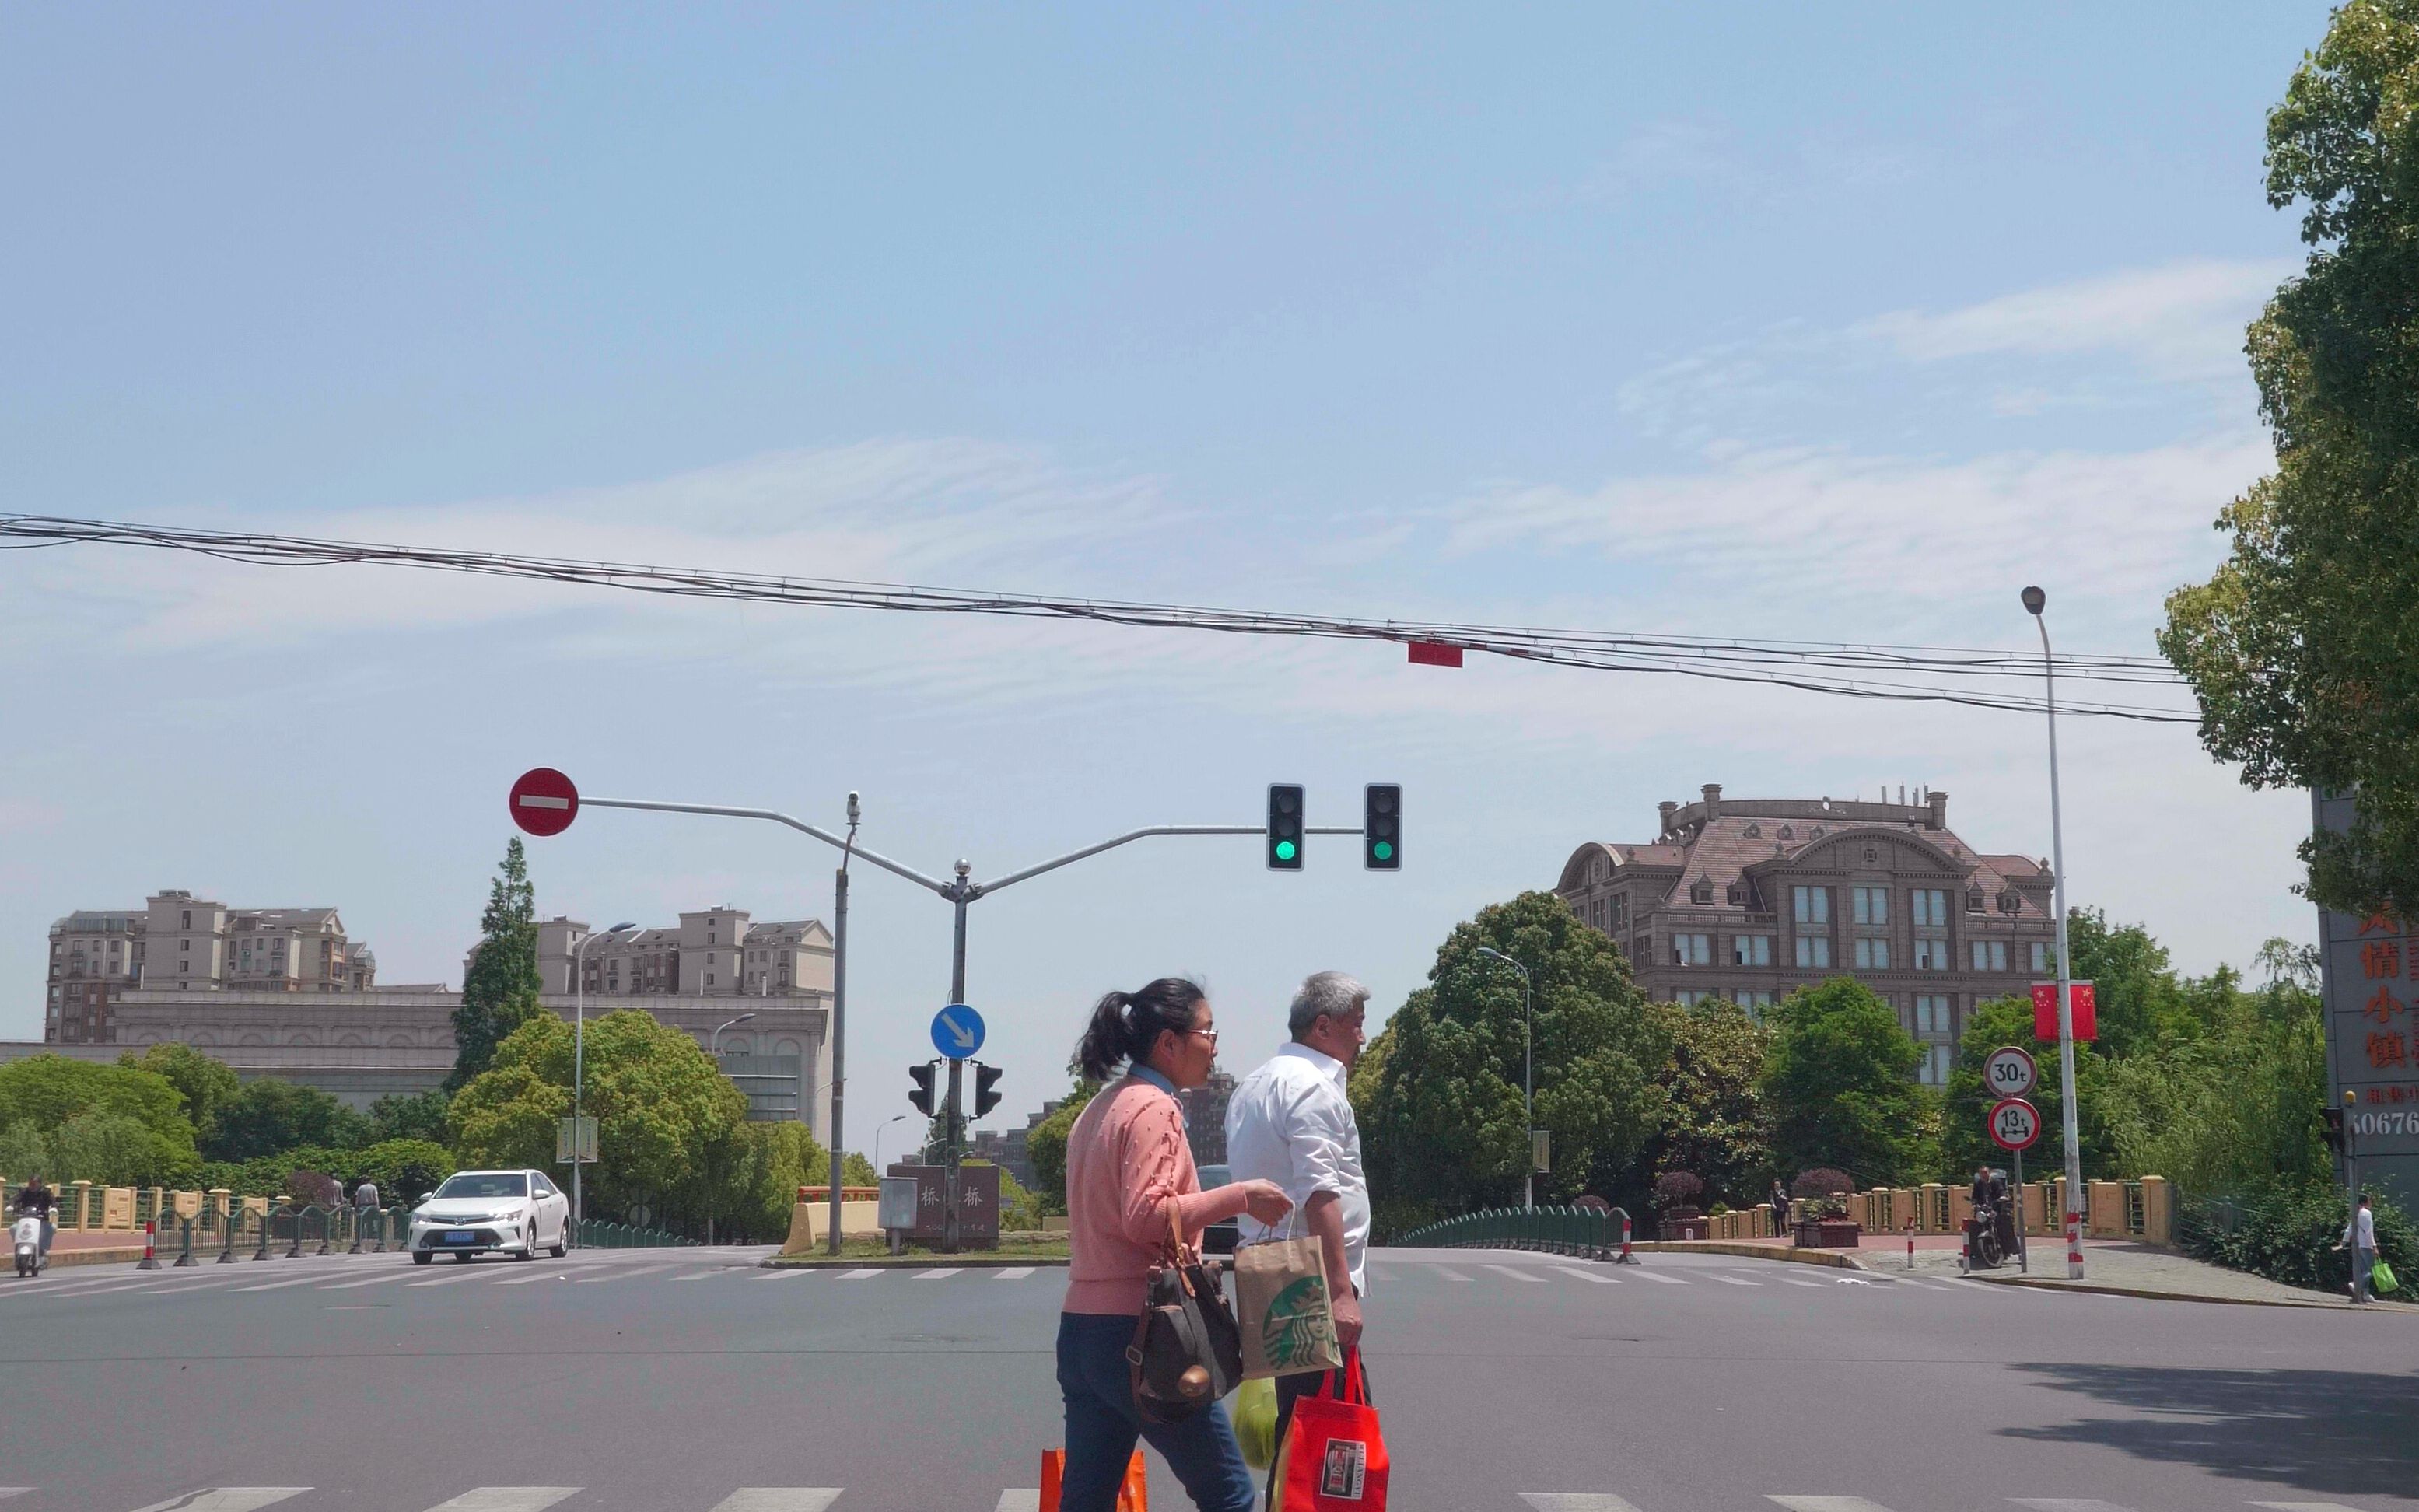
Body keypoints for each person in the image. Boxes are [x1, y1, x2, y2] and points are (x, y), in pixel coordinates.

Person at [1059, 977, 1292, 1512]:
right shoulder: (1153, 1109)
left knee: (1086, 1500)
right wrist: (1240, 1195)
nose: (1214, 1047)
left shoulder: (1100, 1109)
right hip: (1148, 1332)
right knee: (1230, 1495)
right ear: (1169, 1042)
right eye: (1208, 1032)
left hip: (1082, 1332)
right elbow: (1146, 1216)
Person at [1225, 970, 1371, 1510]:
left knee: (1302, 1424)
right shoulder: (1310, 1088)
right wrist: (1340, 1291)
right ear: (1324, 1025)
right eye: (1356, 1024)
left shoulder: (1254, 1083)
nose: (1363, 1036)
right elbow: (1320, 1192)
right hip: (1308, 1278)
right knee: (1329, 1429)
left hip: (1269, 1268)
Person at [2337, 1192, 2379, 1304]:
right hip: (2366, 1245)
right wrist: (2374, 1246)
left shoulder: (2357, 1213)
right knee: (2369, 1270)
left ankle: (2365, 1293)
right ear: (2366, 1202)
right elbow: (2369, 1232)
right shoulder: (2367, 1213)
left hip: (2358, 1245)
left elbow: (2349, 1229)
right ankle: (2356, 1284)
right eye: (2370, 1201)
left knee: (2363, 1269)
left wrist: (2344, 1243)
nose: (2371, 1203)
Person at [15, 1175, 55, 1264]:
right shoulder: (24, 1192)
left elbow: (53, 1200)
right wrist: (11, 1206)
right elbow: (16, 1199)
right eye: (30, 1184)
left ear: (39, 1184)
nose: (32, 1186)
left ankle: (42, 1250)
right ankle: (19, 1246)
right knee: (13, 1228)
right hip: (26, 1219)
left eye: (34, 1184)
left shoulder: (45, 1192)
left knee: (51, 1228)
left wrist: (54, 1207)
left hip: (41, 1220)